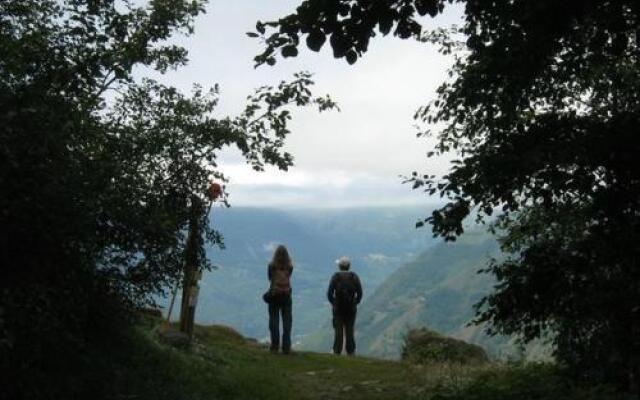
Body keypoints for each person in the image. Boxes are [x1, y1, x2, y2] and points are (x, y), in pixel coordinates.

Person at [327, 256, 363, 356]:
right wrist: (355, 302)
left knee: (338, 331)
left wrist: (334, 303)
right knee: (349, 330)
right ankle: (351, 351)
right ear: (349, 266)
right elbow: (360, 293)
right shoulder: (354, 277)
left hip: (338, 309)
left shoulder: (336, 277)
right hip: (351, 309)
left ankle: (336, 351)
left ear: (339, 266)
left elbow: (329, 293)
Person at [267, 245, 293, 354]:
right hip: (286, 296)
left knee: (274, 320)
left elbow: (269, 278)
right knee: (287, 322)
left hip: (274, 295)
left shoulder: (272, 266)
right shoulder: (290, 266)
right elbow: (289, 276)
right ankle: (286, 348)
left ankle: (274, 346)